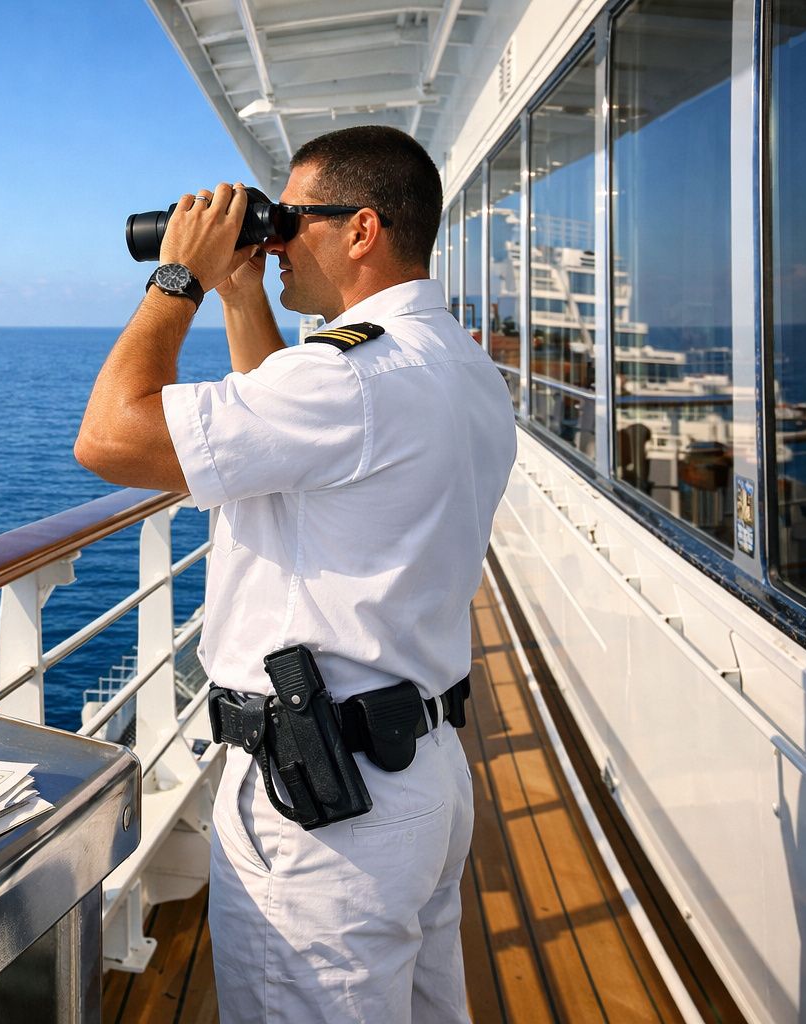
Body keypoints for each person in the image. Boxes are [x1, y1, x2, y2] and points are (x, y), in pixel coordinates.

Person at [74, 125, 516, 1023]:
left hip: (325, 816)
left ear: (361, 230)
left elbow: (110, 438)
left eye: (292, 219)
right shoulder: (453, 359)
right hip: (415, 776)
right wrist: (242, 292)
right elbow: (297, 428)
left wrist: (179, 278)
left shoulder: (352, 377)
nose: (274, 241)